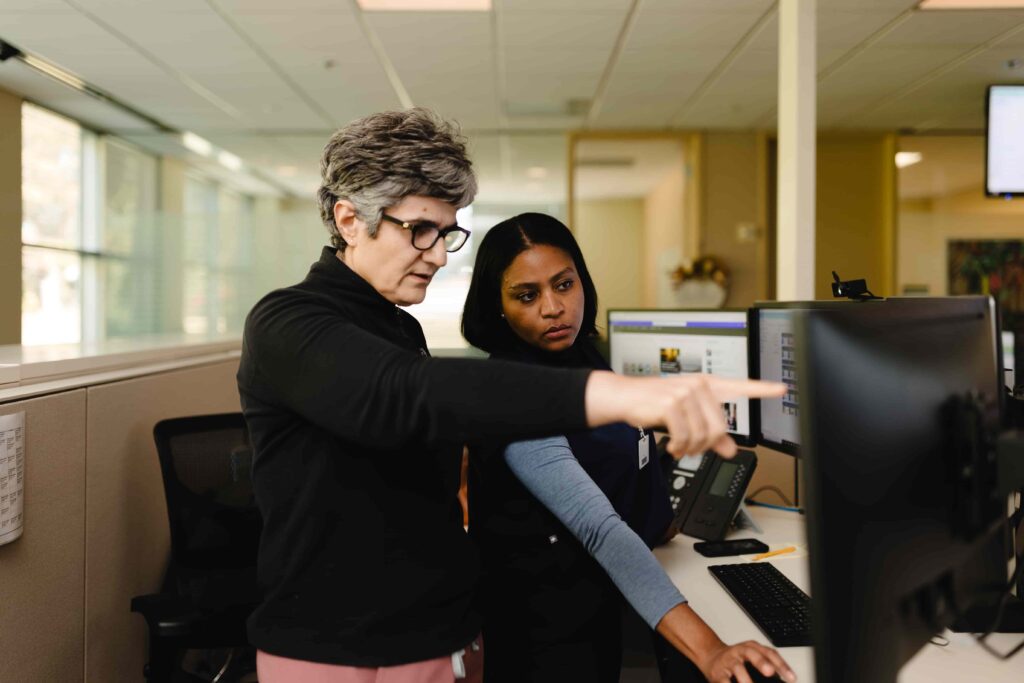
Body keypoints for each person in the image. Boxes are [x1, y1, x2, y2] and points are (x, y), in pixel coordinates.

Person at [237, 109, 787, 683]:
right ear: (349, 219)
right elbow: (404, 394)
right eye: (421, 230)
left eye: (448, 232)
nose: (440, 253)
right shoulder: (287, 321)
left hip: (441, 636)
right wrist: (620, 394)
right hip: (344, 653)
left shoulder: (400, 328)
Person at [461, 213, 795, 683]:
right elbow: (598, 529)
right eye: (527, 295)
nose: (553, 308)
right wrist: (711, 650)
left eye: (564, 284)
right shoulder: (512, 395)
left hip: (600, 605)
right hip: (545, 630)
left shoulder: (585, 356)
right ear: (496, 305)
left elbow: (625, 455)